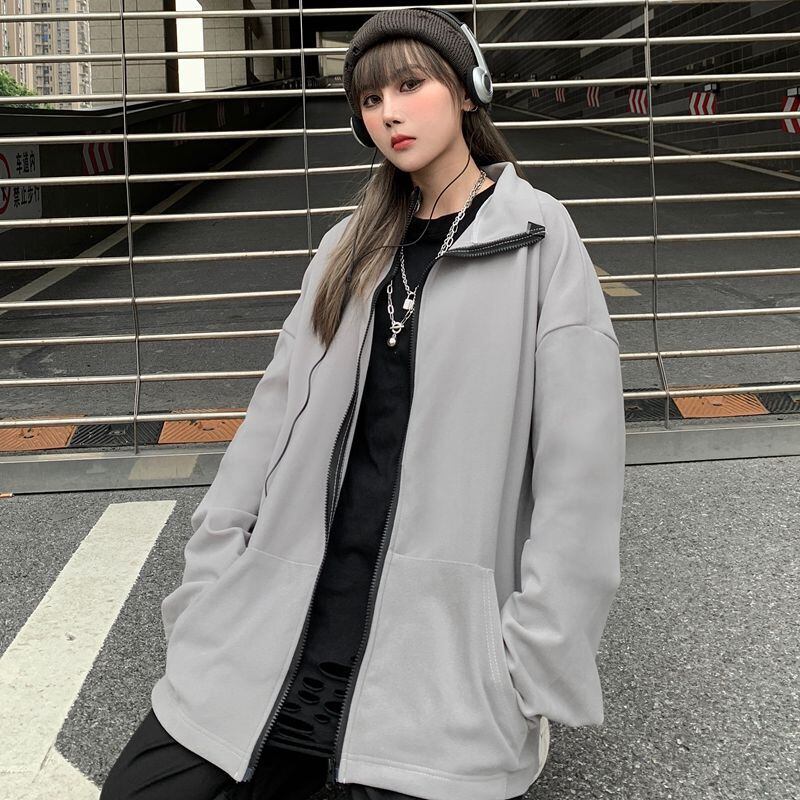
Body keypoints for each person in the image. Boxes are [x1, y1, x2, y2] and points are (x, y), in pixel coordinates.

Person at [101, 7, 625, 800]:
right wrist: (207, 591)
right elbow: (268, 426)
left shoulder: (539, 240)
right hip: (277, 623)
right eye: (372, 100)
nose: (389, 113)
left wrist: (528, 664)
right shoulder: (346, 248)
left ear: (469, 92)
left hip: (440, 660)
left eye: (410, 86)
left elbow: (579, 474)